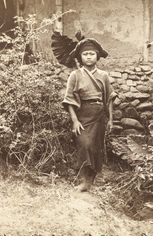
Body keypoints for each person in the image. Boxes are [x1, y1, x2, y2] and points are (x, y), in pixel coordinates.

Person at [62, 38, 117, 192]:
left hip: (99, 114)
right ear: (80, 57)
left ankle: (90, 181)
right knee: (84, 145)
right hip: (82, 115)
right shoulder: (75, 75)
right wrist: (74, 120)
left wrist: (110, 119)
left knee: (95, 147)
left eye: (91, 53)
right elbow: (69, 99)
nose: (88, 57)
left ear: (97, 56)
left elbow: (110, 98)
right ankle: (83, 180)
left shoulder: (104, 76)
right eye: (85, 54)